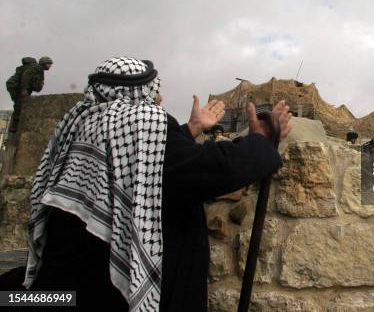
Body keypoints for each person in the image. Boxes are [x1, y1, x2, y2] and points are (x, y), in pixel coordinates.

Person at [0, 56, 291, 312]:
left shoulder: (85, 123)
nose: (160, 100)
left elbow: (152, 164)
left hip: (67, 283)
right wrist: (261, 141)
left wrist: (190, 130)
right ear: (139, 92)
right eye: (156, 92)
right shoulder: (142, 123)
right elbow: (210, 170)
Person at [5, 56, 53, 133]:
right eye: (49, 64)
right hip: (15, 86)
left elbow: (36, 86)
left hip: (16, 86)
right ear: (44, 63)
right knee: (19, 104)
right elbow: (25, 76)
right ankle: (14, 126)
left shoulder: (39, 71)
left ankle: (15, 125)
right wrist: (24, 90)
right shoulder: (36, 68)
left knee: (20, 103)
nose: (50, 66)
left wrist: (39, 84)